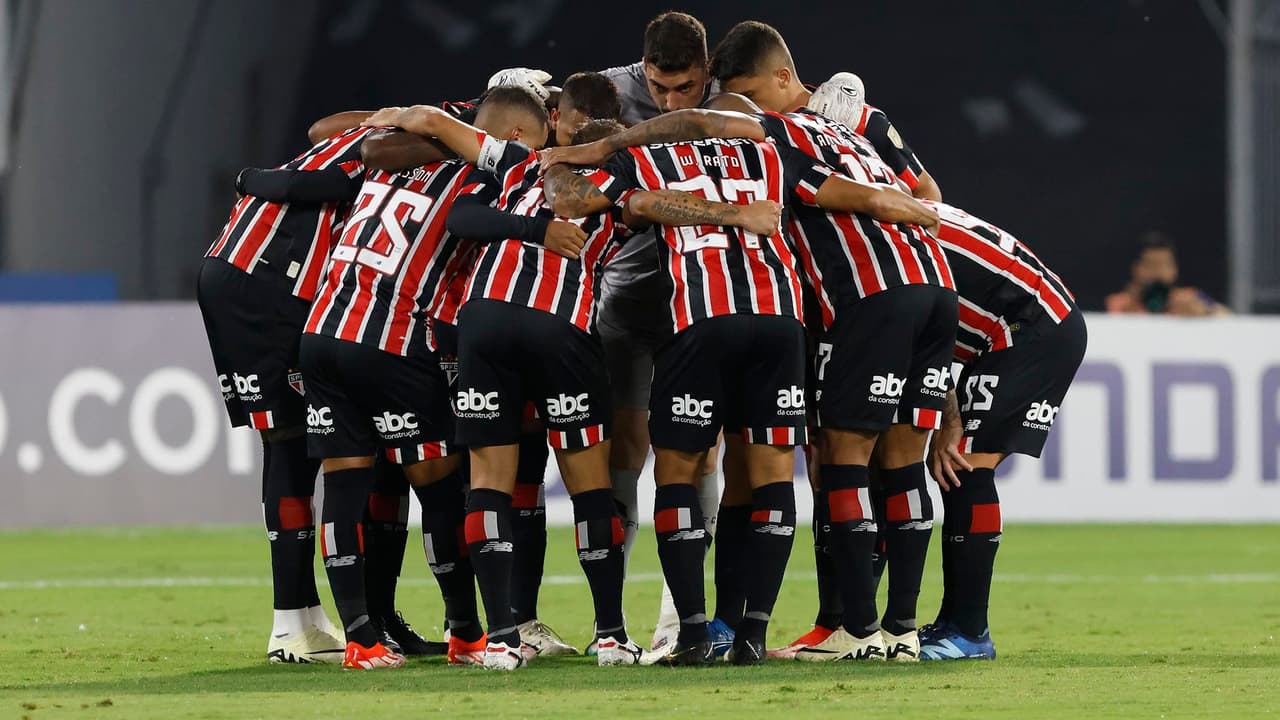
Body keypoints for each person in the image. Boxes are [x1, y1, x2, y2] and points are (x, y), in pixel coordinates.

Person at [361, 102, 782, 670]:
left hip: (482, 320)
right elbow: (651, 203)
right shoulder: (624, 174)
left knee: (490, 480)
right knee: (589, 478)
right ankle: (611, 632)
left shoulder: (519, 165)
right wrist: (735, 214)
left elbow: (459, 214)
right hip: (561, 324)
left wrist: (394, 117)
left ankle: (503, 638)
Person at [299, 88, 554, 670]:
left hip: (321, 332)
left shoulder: (390, 169)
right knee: (439, 487)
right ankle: (466, 630)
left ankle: (361, 639)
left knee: (342, 487)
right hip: (389, 339)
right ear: (511, 139)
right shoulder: (481, 180)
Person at [199, 123, 373, 666]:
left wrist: (255, 177)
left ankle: (302, 616)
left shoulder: (368, 129)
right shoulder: (404, 142)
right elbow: (326, 187)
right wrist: (255, 178)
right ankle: (287, 625)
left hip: (238, 270)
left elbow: (321, 129)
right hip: (265, 286)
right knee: (289, 443)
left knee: (288, 445)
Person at [596, 10, 731, 658]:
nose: (670, 102)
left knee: (702, 452)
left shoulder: (736, 102)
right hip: (626, 301)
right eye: (659, 87)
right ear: (641, 69)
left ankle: (681, 614)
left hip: (704, 301)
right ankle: (609, 626)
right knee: (625, 447)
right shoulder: (605, 92)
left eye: (685, 88)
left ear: (707, 69)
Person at [923, 202, 1087, 660]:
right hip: (1010, 326)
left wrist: (949, 417)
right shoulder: (892, 210)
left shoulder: (878, 237)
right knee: (957, 467)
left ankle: (970, 632)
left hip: (1032, 326)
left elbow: (920, 332)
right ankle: (954, 625)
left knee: (967, 466)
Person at [1106, 232, 1229, 316]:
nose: (1158, 272)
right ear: (1136, 268)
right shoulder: (1117, 302)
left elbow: (1228, 316)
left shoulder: (1190, 296)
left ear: (1175, 269)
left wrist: (1205, 312)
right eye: (1151, 265)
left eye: (1164, 265)